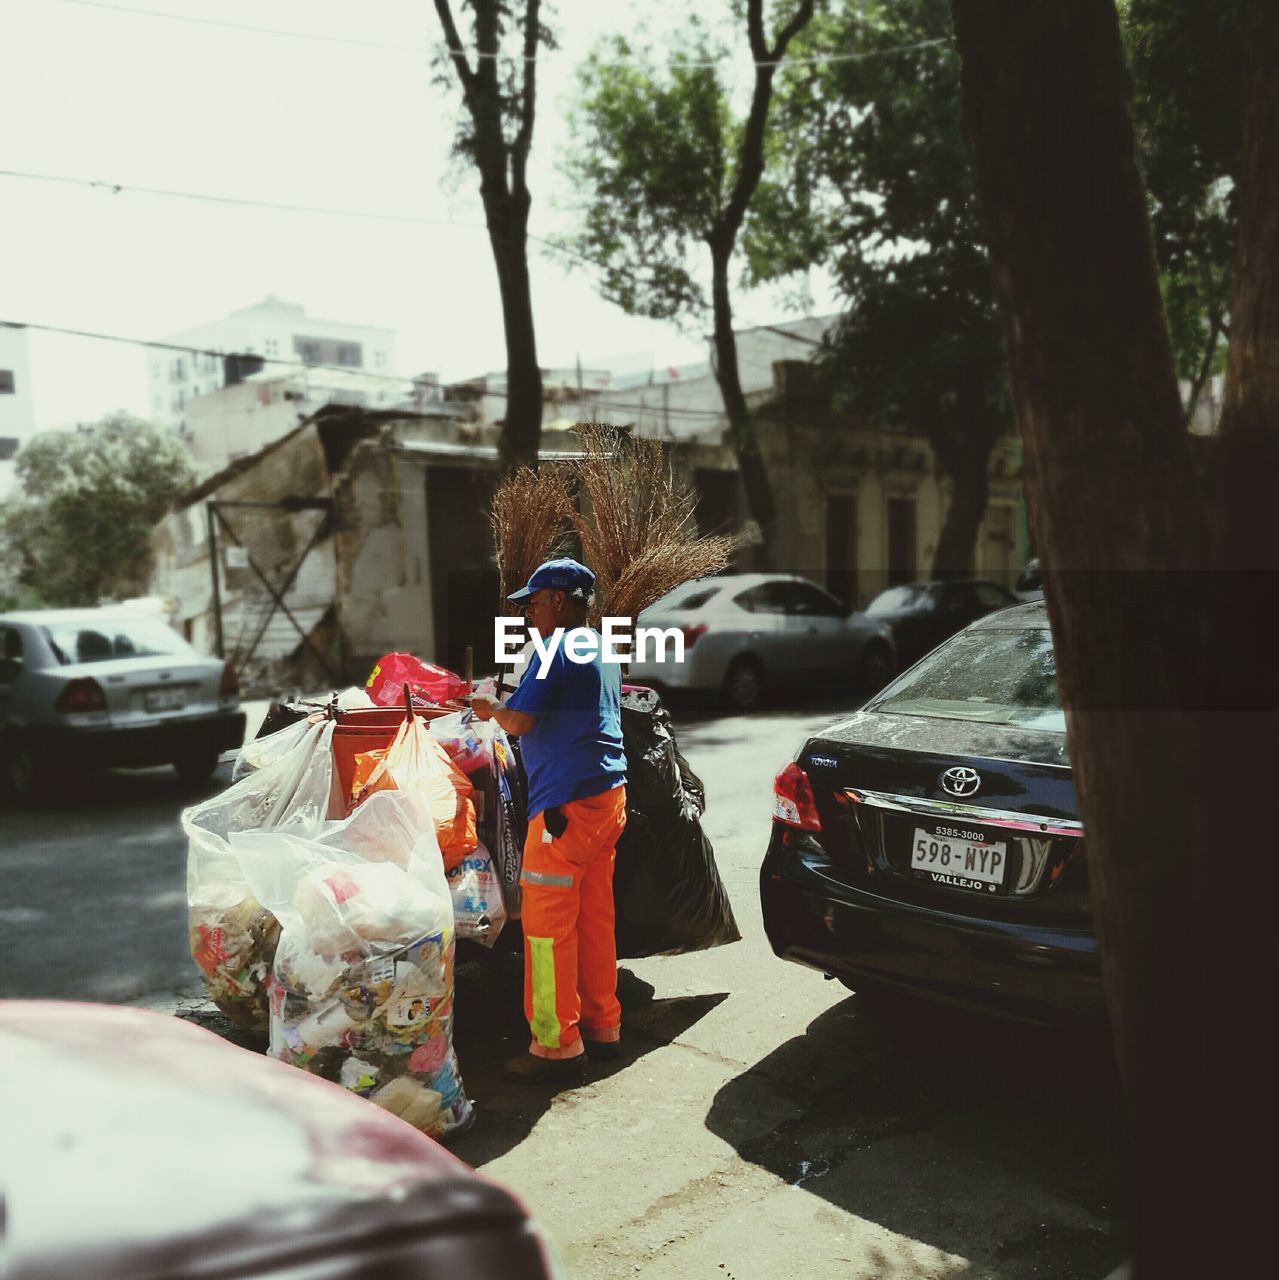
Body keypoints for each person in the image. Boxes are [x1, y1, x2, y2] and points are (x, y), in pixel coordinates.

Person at [471, 557, 628, 1085]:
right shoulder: (601, 647)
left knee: (546, 929)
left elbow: (520, 720)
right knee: (594, 919)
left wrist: (488, 704)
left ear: (558, 601)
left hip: (563, 808)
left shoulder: (554, 647)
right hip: (606, 800)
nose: (530, 614)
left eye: (534, 603)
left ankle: (556, 1046)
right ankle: (605, 1028)